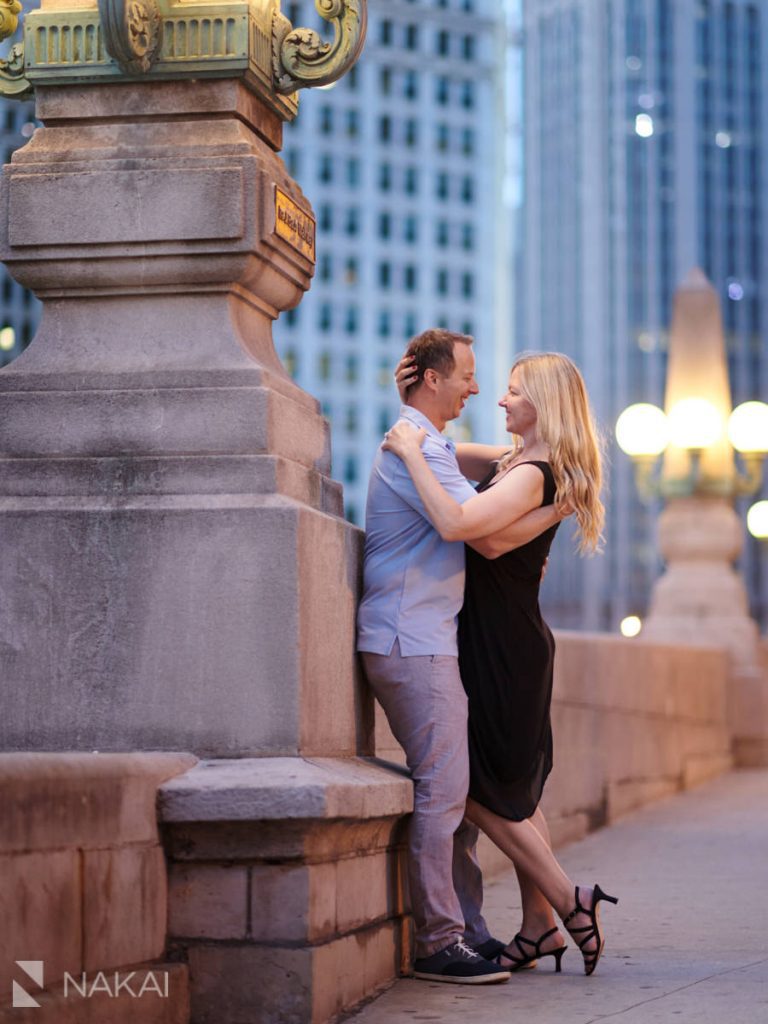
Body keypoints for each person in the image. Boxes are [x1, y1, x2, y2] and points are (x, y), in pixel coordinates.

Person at [383, 351, 618, 978]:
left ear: (544, 401)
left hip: (503, 648)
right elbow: (452, 451)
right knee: (512, 790)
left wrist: (408, 453)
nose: (501, 399)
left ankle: (570, 902)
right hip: (500, 638)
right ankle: (540, 926)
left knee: (478, 789)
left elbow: (465, 525)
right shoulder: (522, 463)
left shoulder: (535, 472)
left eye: (514, 391)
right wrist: (417, 408)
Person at [357, 329, 564, 984]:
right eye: (470, 376)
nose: (479, 389)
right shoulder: (417, 450)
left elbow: (496, 509)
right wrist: (560, 503)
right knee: (446, 796)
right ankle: (439, 942)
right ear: (434, 380)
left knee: (457, 798)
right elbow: (472, 529)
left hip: (428, 639)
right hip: (408, 640)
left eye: (497, 383)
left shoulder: (433, 447)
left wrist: (561, 499)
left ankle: (469, 930)